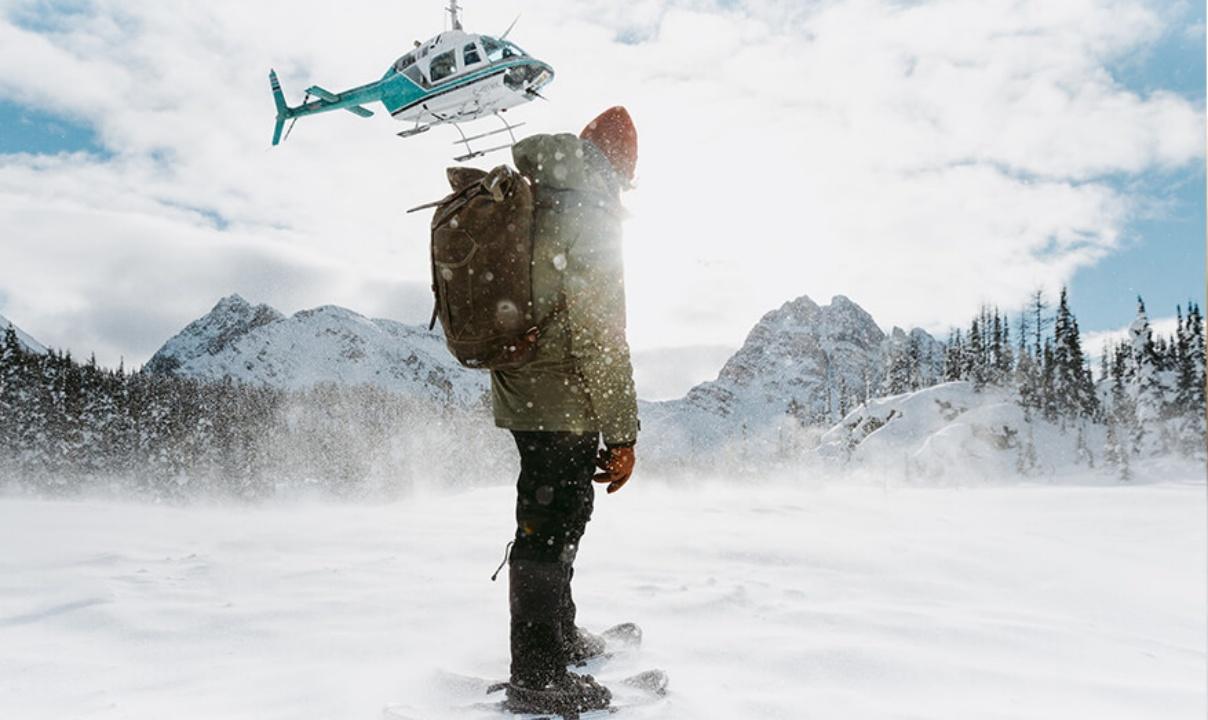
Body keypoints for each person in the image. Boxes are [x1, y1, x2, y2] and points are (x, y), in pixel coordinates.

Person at [490, 106, 640, 716]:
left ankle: (558, 637)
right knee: (550, 524)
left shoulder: (539, 194)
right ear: (620, 166)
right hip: (563, 396)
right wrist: (623, 432)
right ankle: (538, 676)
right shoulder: (591, 211)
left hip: (524, 389)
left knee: (558, 514)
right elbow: (602, 337)